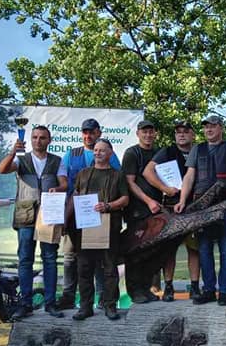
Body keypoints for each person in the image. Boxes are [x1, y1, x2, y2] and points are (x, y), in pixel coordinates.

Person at [174, 94, 226, 305]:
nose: (209, 130)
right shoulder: (197, 149)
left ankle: (224, 293)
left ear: (220, 129)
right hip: (202, 207)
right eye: (206, 127)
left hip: (225, 206)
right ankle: (209, 290)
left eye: (213, 126)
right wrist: (182, 200)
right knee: (204, 249)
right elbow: (189, 176)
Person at [0, 125, 68, 319]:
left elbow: (64, 183)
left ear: (49, 140)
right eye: (35, 137)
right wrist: (13, 151)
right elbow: (2, 169)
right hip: (25, 213)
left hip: (48, 214)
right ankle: (25, 304)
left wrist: (59, 190)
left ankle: (50, 303)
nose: (38, 141)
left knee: (50, 259)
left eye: (42, 137)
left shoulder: (57, 161)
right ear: (31, 139)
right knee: (25, 259)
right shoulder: (21, 160)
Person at [57, 119, 122, 310]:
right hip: (76, 216)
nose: (88, 136)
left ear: (98, 133)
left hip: (102, 217)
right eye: (85, 132)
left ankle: (103, 298)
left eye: (92, 132)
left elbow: (117, 180)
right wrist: (65, 217)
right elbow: (64, 183)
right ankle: (69, 296)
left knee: (102, 260)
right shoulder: (71, 154)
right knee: (71, 258)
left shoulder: (111, 157)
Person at [71, 140, 129, 321]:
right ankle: (85, 307)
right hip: (85, 228)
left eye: (102, 150)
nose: (98, 153)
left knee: (110, 269)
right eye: (96, 150)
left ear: (110, 153)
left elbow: (125, 199)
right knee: (84, 269)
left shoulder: (117, 175)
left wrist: (108, 205)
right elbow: (76, 195)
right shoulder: (83, 174)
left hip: (110, 227)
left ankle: (110, 306)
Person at [144, 120, 201, 301]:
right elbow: (148, 172)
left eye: (185, 131)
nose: (181, 134)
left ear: (193, 134)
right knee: (169, 250)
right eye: (178, 132)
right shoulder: (167, 152)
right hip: (171, 207)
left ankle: (194, 287)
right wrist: (166, 189)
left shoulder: (199, 151)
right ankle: (168, 287)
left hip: (194, 207)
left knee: (195, 249)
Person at [121, 119, 164, 303]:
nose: (148, 135)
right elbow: (129, 182)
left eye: (151, 131)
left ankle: (148, 289)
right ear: (138, 133)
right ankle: (135, 291)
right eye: (144, 132)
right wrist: (148, 201)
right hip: (137, 210)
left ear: (155, 133)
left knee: (152, 252)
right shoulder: (132, 153)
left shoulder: (159, 152)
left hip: (156, 211)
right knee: (135, 252)